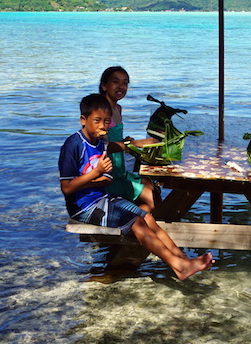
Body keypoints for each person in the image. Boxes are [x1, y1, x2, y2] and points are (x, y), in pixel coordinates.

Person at [60, 93, 214, 280]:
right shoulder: (73, 145)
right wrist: (96, 173)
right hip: (84, 207)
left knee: (147, 217)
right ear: (83, 120)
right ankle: (179, 266)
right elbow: (67, 187)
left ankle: (183, 260)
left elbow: (106, 179)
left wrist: (102, 175)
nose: (102, 126)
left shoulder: (101, 144)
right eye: (97, 120)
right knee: (136, 222)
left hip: (102, 199)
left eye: (106, 121)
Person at [98, 66, 159, 211]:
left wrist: (126, 141)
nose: (121, 87)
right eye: (115, 82)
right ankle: (129, 224)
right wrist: (134, 144)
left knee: (151, 185)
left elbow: (113, 138)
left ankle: (137, 221)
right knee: (152, 199)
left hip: (119, 171)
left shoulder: (117, 108)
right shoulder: (101, 111)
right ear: (104, 86)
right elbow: (102, 146)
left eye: (125, 83)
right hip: (107, 175)